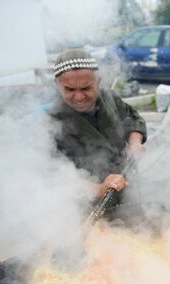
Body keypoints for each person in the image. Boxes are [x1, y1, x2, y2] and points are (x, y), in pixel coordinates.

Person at [48, 49, 147, 199]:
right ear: (57, 84)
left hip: (127, 190)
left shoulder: (109, 99)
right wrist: (97, 189)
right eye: (69, 90)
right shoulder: (50, 123)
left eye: (86, 88)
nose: (79, 97)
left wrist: (134, 143)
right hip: (86, 207)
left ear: (98, 81)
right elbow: (51, 176)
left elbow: (132, 118)